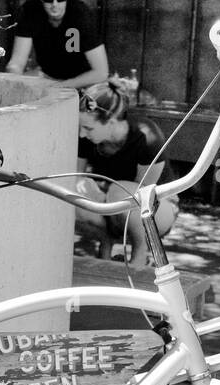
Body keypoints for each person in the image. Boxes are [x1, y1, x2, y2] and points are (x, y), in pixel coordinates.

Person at [75, 80, 178, 269]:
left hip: (156, 210)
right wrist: (83, 183)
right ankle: (105, 246)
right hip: (109, 203)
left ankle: (140, 257)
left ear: (111, 122)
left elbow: (145, 198)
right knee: (72, 192)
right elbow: (76, 175)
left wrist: (103, 194)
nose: (81, 134)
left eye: (88, 128)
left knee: (120, 192)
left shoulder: (147, 137)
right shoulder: (88, 138)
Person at [5, 0, 108, 90]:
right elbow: (16, 64)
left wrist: (61, 86)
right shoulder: (30, 10)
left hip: (83, 81)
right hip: (48, 77)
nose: (54, 4)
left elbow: (101, 73)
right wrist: (13, 83)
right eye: (48, 0)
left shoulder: (80, 13)